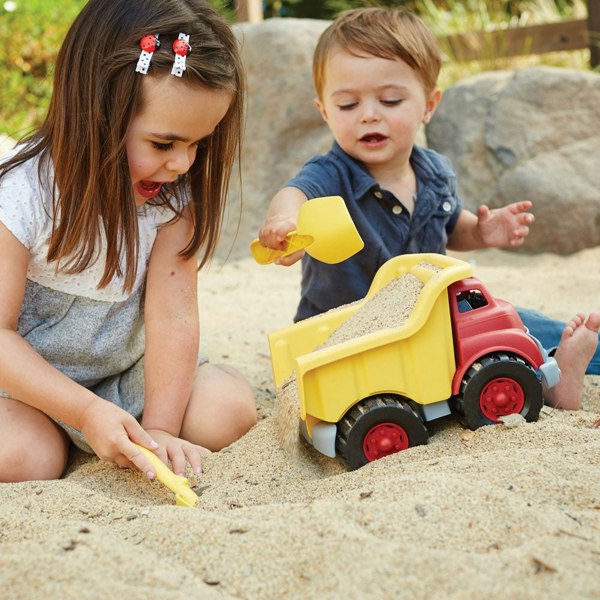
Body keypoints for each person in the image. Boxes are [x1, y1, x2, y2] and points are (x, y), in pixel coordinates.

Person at [257, 7, 600, 412]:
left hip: (433, 321)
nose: (369, 114)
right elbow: (294, 193)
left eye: (390, 99)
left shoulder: (435, 171)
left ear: (429, 104)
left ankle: (560, 366)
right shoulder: (331, 174)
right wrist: (284, 222)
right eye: (348, 105)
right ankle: (545, 376)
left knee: (514, 320)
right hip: (349, 330)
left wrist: (482, 232)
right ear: (324, 111)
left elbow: (454, 226)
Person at [0, 0, 257, 483]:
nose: (183, 164)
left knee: (227, 410)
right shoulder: (20, 196)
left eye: (197, 143)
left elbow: (173, 316)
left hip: (125, 378)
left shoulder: (169, 201)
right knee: (27, 458)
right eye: (164, 144)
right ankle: (64, 435)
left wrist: (160, 430)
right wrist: (84, 413)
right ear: (95, 112)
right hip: (24, 389)